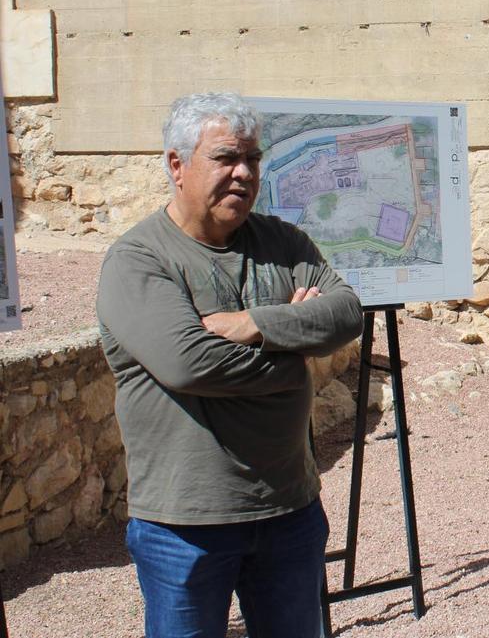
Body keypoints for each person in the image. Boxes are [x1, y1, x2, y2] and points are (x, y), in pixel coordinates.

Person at [97, 92, 363, 638]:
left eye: (253, 159)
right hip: (185, 525)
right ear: (177, 164)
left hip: (289, 510)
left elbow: (345, 313)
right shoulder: (140, 258)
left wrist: (253, 324)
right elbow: (190, 363)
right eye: (225, 158)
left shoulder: (282, 241)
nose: (244, 173)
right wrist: (296, 357)